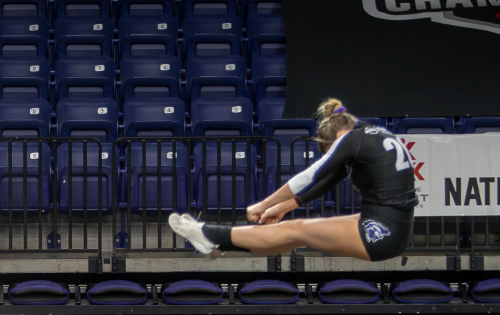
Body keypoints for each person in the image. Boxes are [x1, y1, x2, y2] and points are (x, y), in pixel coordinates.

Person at [168, 98, 418, 262]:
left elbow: (313, 175)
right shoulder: (375, 133)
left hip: (382, 233)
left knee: (295, 230)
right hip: (393, 226)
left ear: (340, 136)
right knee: (289, 234)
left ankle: (205, 232)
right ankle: (219, 242)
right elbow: (330, 180)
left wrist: (263, 204)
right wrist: (283, 207)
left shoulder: (351, 139)